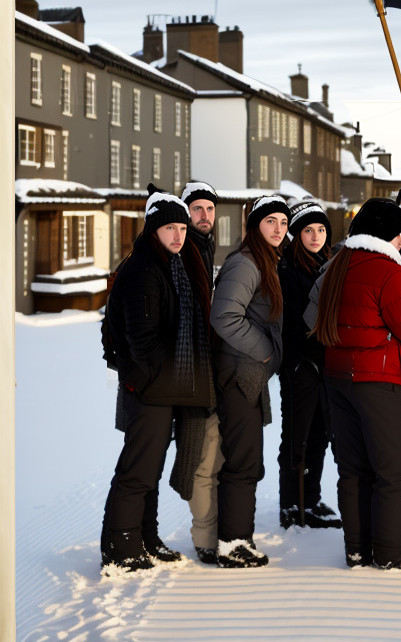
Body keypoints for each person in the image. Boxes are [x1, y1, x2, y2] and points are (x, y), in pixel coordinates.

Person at [306, 198, 401, 569]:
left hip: (336, 377)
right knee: (394, 470)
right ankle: (390, 554)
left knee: (353, 468)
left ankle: (357, 549)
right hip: (378, 380)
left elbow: (310, 317)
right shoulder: (390, 273)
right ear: (387, 236)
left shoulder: (334, 266)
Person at [100, 191, 215, 573]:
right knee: (137, 471)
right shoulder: (145, 270)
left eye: (182, 228)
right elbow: (142, 338)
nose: (179, 235)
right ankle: (122, 546)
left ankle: (145, 537)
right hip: (149, 389)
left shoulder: (171, 265)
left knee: (149, 468)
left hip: (162, 387)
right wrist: (148, 381)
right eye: (171, 228)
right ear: (154, 230)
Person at [208, 195, 290, 567]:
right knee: (243, 461)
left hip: (249, 374)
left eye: (283, 223)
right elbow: (224, 316)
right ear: (255, 225)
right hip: (240, 373)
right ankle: (233, 543)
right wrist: (266, 351)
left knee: (248, 458)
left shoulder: (265, 261)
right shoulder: (245, 263)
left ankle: (238, 538)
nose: (278, 229)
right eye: (270, 221)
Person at [276, 201, 341, 530]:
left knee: (319, 435)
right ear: (296, 234)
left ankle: (310, 499)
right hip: (300, 367)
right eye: (308, 230)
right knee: (297, 437)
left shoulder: (326, 264)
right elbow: (290, 325)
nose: (315, 236)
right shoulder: (289, 270)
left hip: (323, 367)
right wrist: (298, 363)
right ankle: (292, 505)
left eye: (320, 230)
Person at [177, 179, 226, 561]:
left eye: (210, 209)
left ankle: (209, 532)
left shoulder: (203, 250)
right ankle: (205, 539)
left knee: (211, 453)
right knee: (201, 456)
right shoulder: (184, 251)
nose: (205, 216)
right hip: (190, 373)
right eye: (197, 209)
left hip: (205, 368)